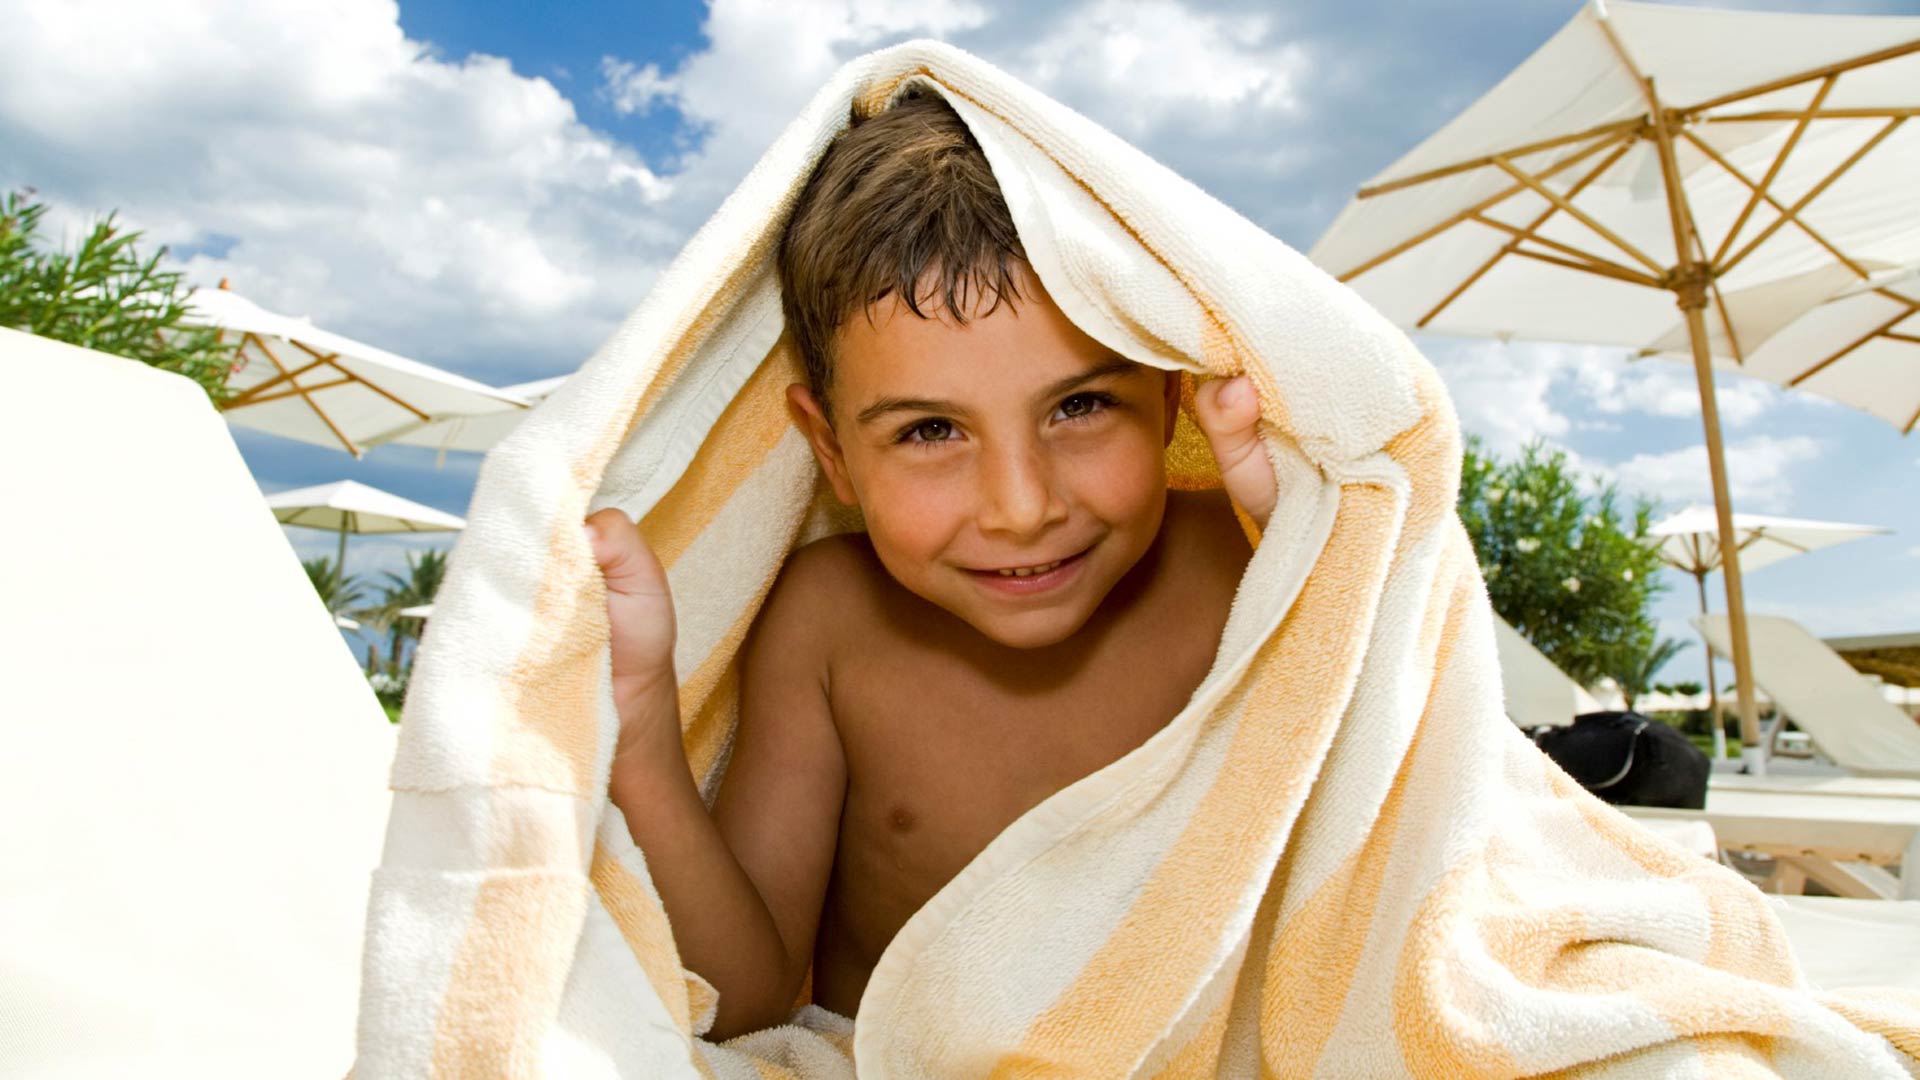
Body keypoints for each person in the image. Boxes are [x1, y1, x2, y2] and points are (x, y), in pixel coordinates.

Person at [584, 91, 1277, 1040]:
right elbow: (739, 1001)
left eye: (1079, 408)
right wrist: (643, 741)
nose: (1023, 507)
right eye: (930, 430)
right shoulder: (828, 626)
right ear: (831, 455)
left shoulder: (1252, 562)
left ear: (1170, 398)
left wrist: (1320, 548)